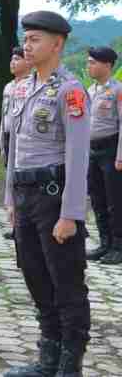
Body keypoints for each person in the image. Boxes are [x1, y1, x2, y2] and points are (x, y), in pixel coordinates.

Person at [3, 11, 91, 377]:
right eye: (27, 38)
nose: (28, 44)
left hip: (53, 196)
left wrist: (71, 214)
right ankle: (48, 355)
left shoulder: (70, 90)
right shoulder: (22, 87)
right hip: (24, 194)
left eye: (36, 38)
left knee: (65, 280)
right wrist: (9, 198)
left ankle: (71, 363)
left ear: (58, 44)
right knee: (35, 275)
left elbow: (77, 155)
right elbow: (14, 149)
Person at [85, 46, 122, 265]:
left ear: (107, 65)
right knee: (98, 198)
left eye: (92, 62)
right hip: (92, 150)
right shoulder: (91, 90)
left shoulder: (118, 90)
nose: (88, 66)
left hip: (111, 150)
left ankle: (118, 245)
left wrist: (120, 156)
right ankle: (105, 242)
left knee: (115, 200)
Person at [0, 47, 32, 241]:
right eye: (12, 59)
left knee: (22, 181)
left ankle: (22, 223)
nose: (13, 63)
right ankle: (15, 222)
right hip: (8, 135)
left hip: (23, 138)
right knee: (11, 181)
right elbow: (4, 117)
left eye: (17, 59)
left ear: (28, 62)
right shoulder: (9, 86)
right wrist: (0, 141)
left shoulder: (30, 85)